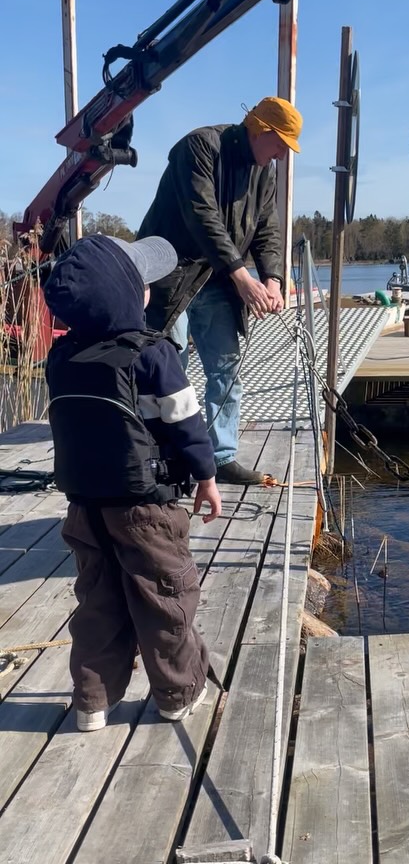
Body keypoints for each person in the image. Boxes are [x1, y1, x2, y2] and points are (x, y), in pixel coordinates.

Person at [43, 233, 222, 732]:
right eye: (141, 283)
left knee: (97, 601)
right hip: (146, 509)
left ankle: (92, 703)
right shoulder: (153, 354)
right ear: (128, 296)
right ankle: (177, 694)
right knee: (165, 597)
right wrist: (206, 477)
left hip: (85, 507)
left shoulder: (60, 358)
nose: (148, 291)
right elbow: (186, 425)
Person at [137, 96, 303, 485]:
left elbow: (266, 226)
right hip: (170, 269)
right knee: (166, 363)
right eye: (280, 145)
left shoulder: (265, 172)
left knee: (225, 366)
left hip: (218, 275)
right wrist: (242, 276)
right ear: (261, 131)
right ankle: (169, 452)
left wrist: (273, 278)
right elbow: (202, 216)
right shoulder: (198, 147)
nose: (280, 156)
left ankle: (222, 456)